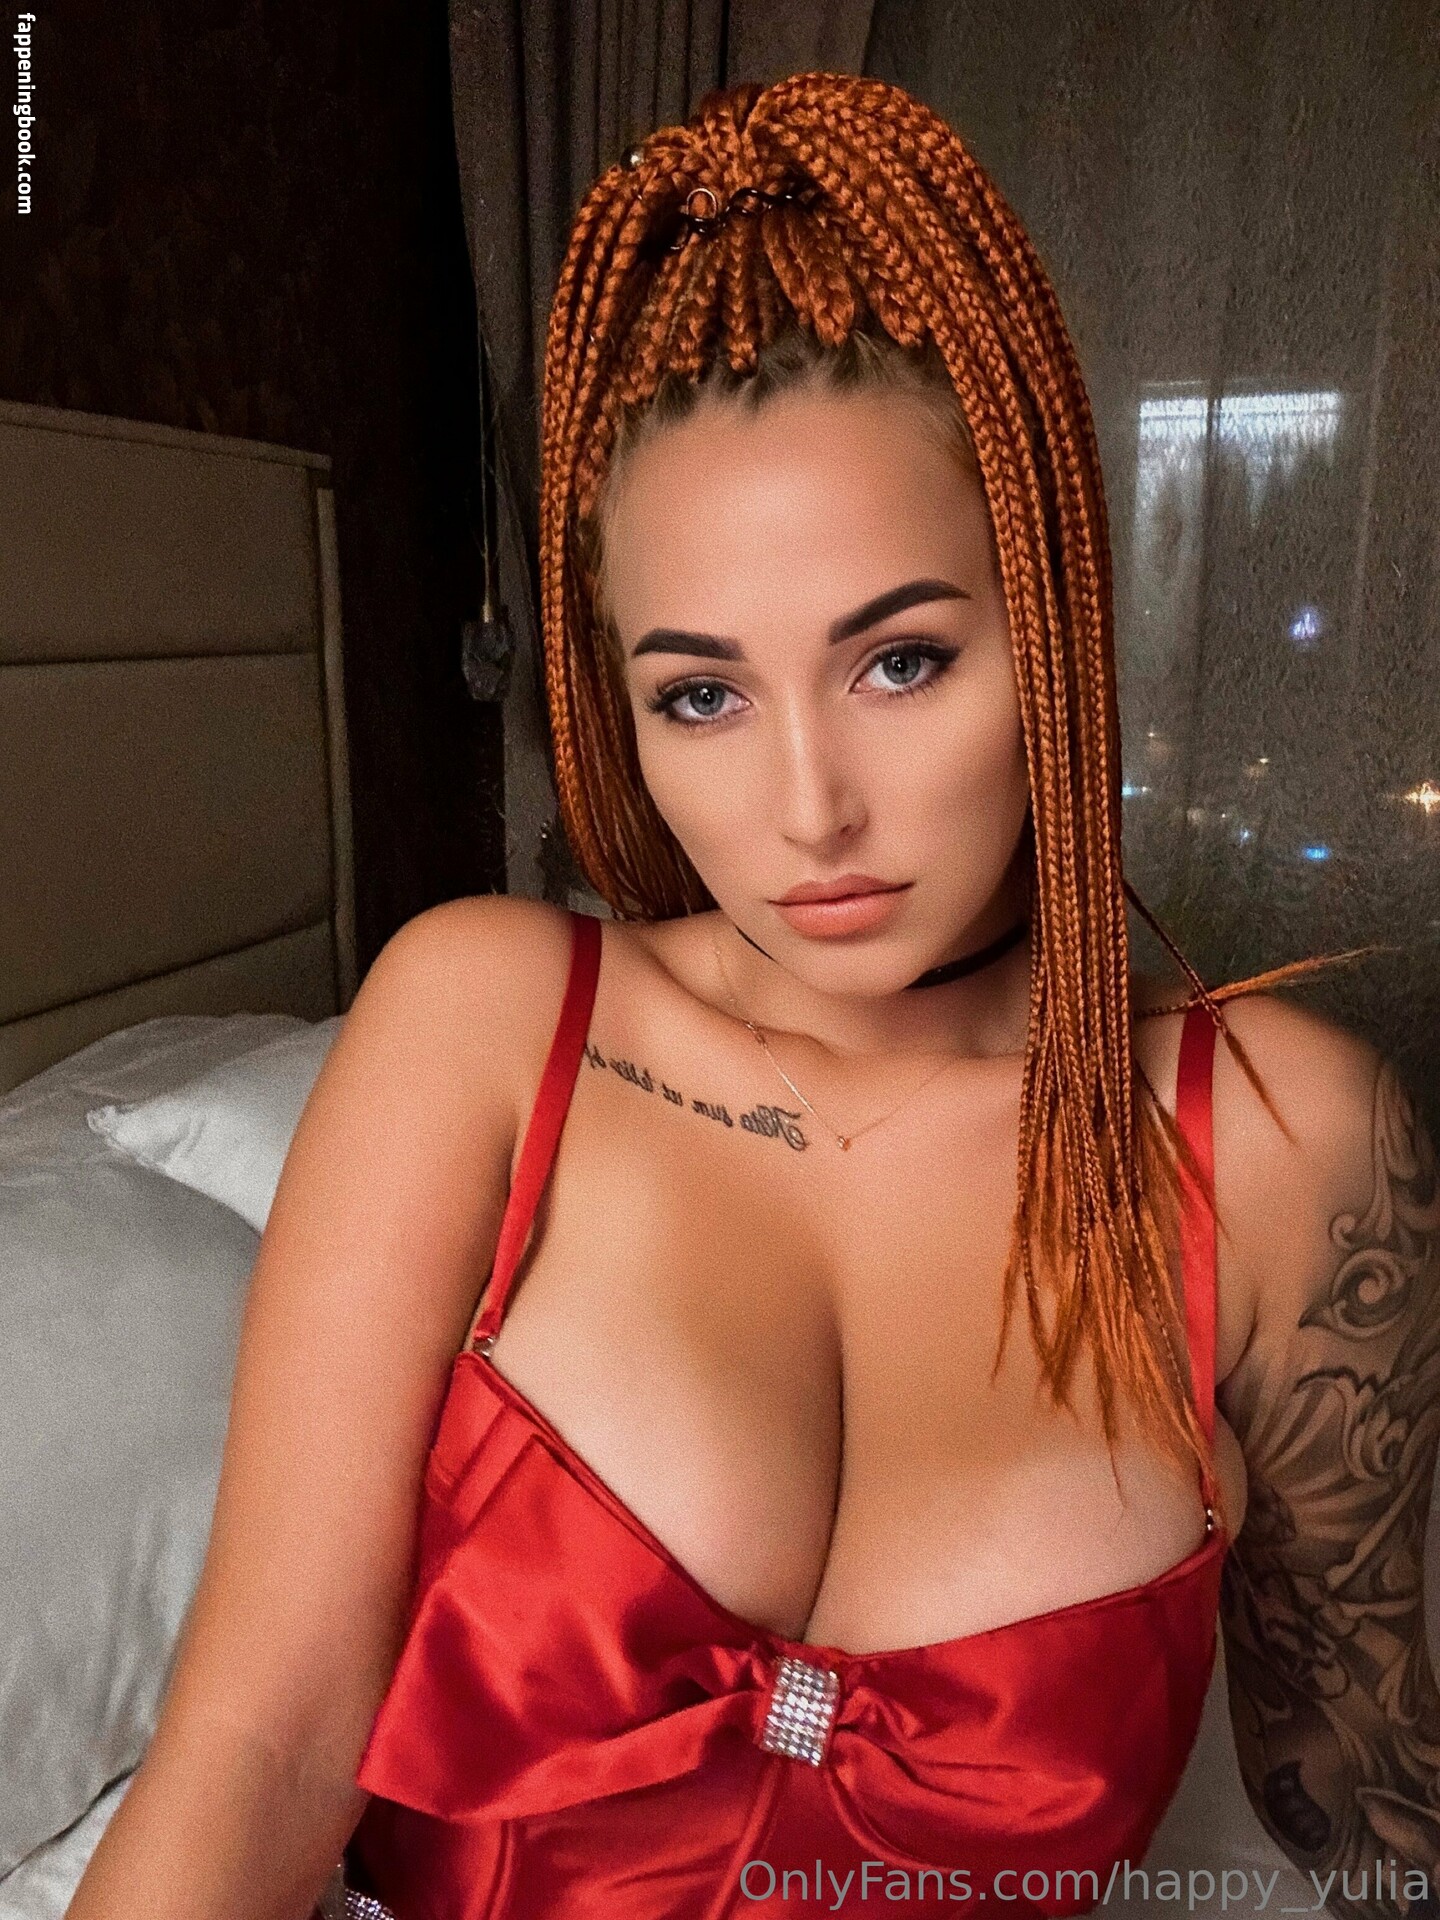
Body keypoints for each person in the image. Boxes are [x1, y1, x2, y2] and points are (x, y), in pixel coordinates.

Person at [67, 71, 1440, 1920]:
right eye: (701, 694)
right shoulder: (485, 1024)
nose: (808, 812)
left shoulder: (1282, 1143)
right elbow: (257, 1748)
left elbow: (1365, 1803)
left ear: (1052, 625)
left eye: (900, 661)